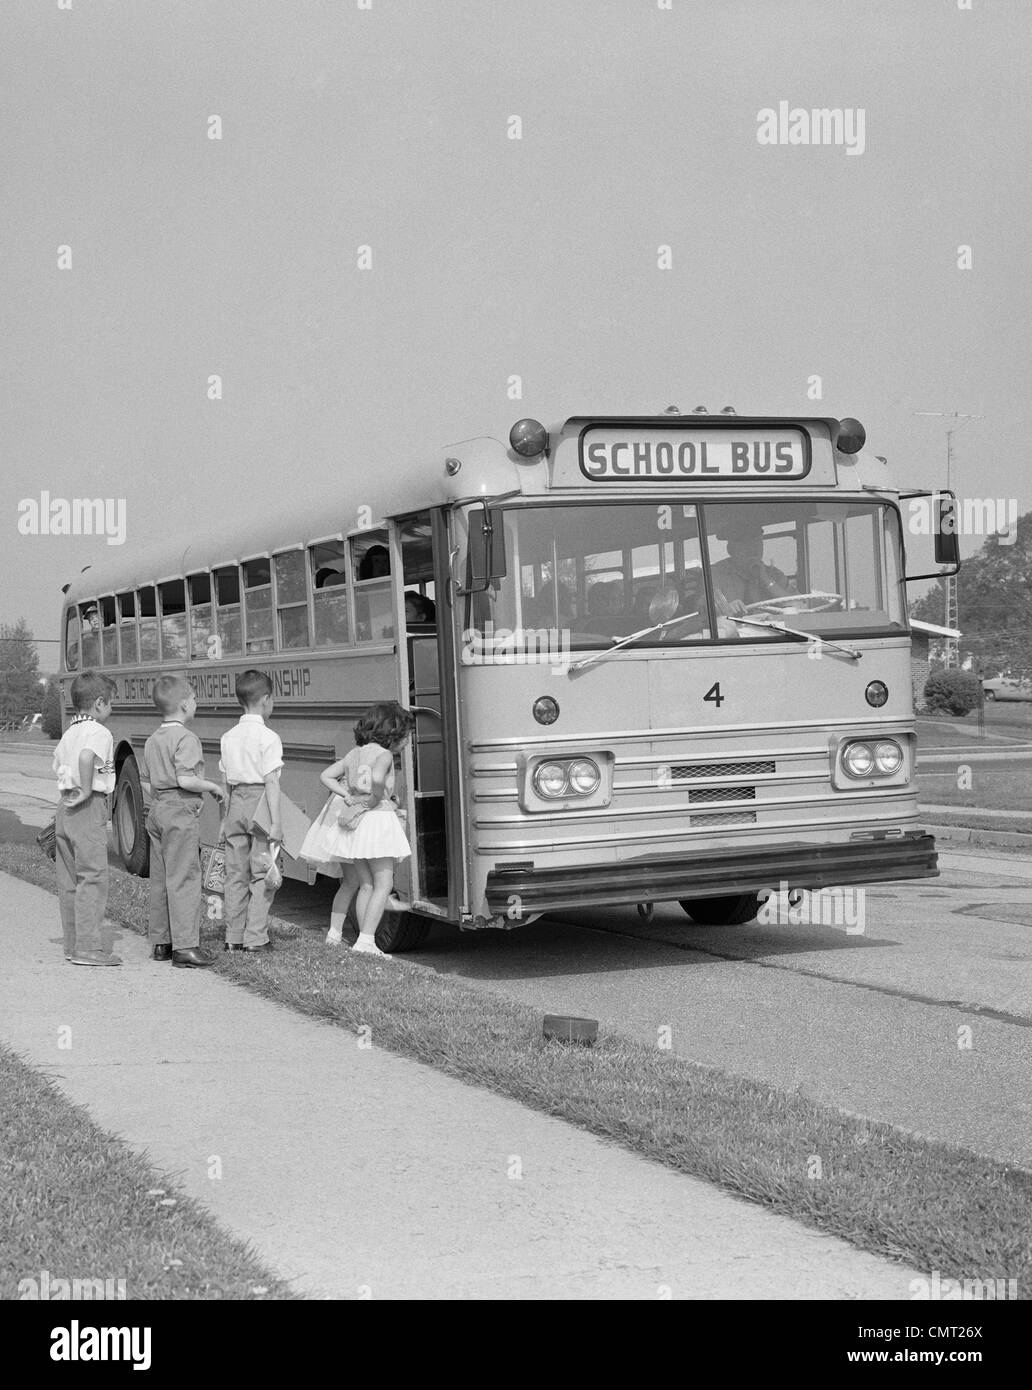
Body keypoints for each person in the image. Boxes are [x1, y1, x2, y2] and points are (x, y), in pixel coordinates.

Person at [298, 702, 414, 957]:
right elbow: (377, 781)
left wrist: (348, 796)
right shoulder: (383, 756)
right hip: (377, 819)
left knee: (366, 884)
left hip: (355, 822)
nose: (407, 741)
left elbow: (326, 775)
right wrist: (376, 795)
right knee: (384, 882)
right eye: (405, 735)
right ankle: (366, 940)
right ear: (392, 732)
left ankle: (364, 939)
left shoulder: (354, 753)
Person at [143, 673, 225, 968]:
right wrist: (213, 787)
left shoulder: (153, 739)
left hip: (158, 809)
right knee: (185, 878)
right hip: (179, 810)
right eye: (193, 698)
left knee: (162, 878)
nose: (196, 702)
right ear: (183, 705)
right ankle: (186, 946)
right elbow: (186, 778)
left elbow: (151, 782)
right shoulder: (186, 738)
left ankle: (162, 942)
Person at [52, 671, 118, 966]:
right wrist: (87, 789)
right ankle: (89, 947)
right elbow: (86, 758)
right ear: (100, 703)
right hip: (87, 804)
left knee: (68, 879)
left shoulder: (68, 733)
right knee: (92, 876)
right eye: (111, 703)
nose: (111, 709)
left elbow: (58, 763)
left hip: (63, 807)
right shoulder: (99, 733)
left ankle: (72, 943)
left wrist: (71, 790)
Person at [219, 670, 284, 953]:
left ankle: (233, 936)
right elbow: (271, 782)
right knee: (262, 872)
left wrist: (224, 819)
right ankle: (256, 937)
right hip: (259, 805)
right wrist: (277, 823)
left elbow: (225, 783)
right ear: (266, 699)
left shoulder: (228, 736)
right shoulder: (269, 737)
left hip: (235, 804)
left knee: (235, 874)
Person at [710, 520, 792, 614]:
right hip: (732, 627)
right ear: (730, 549)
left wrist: (767, 580)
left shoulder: (774, 575)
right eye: (744, 544)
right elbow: (704, 610)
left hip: (772, 628)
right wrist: (725, 609)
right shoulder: (715, 574)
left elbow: (796, 605)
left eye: (757, 543)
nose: (752, 549)